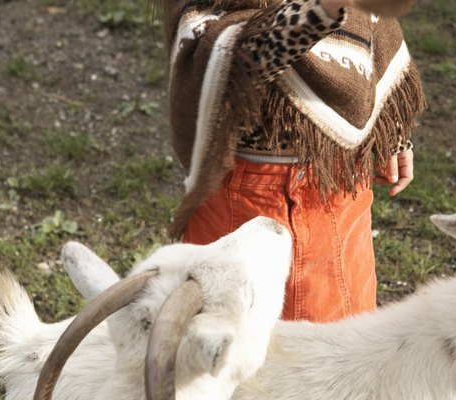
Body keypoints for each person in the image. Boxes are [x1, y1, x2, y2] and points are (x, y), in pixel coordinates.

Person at [159, 0, 426, 322]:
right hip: (260, 201)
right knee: (252, 340)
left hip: (342, 185)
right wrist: (323, 11)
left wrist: (390, 131)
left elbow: (371, 24)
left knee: (344, 331)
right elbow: (240, 61)